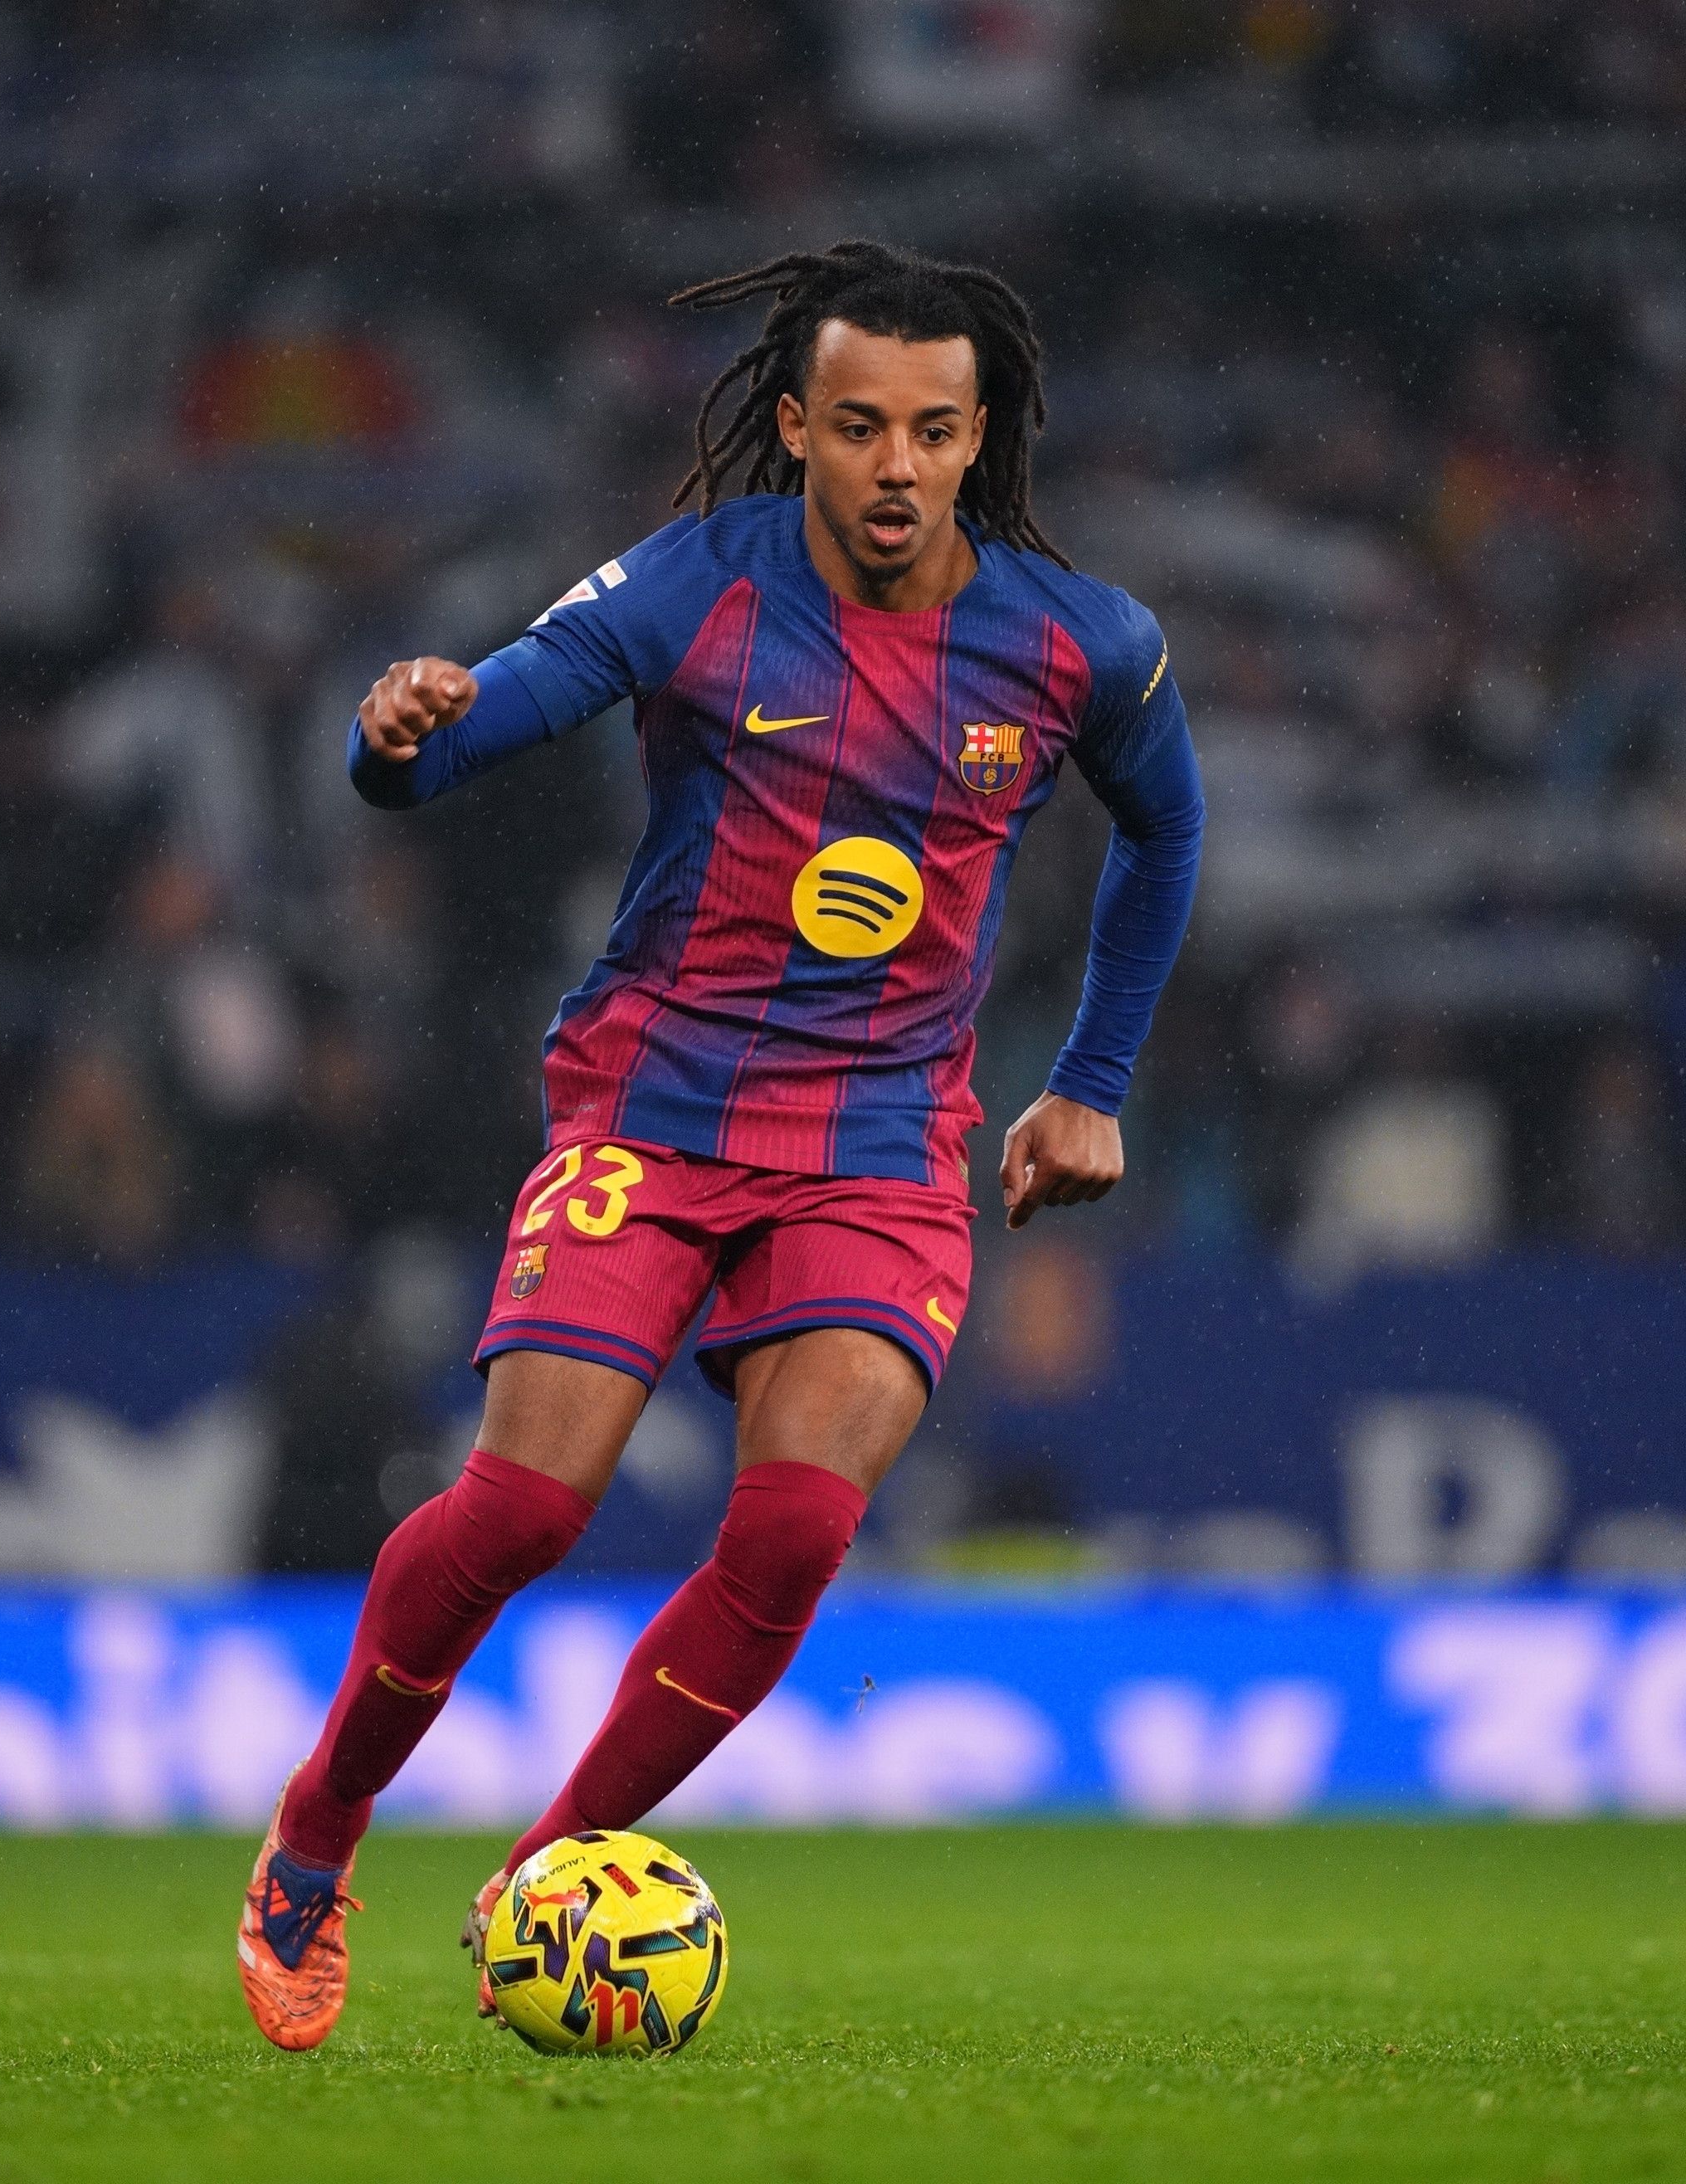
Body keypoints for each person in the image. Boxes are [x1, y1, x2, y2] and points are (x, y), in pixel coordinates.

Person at [233, 242, 1207, 2050]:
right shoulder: (699, 583)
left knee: (796, 1528)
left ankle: (546, 1873)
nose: (897, 465)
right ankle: (318, 1823)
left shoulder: (1085, 643)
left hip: (881, 1143)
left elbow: (1169, 831)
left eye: (932, 430)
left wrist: (1092, 1075)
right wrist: (404, 735)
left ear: (980, 437)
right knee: (525, 1506)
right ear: (800, 428)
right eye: (859, 425)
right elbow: (482, 725)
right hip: (656, 1107)